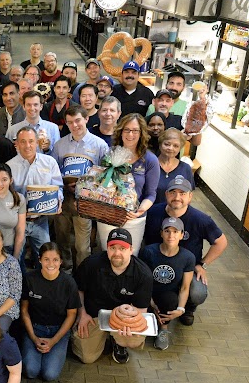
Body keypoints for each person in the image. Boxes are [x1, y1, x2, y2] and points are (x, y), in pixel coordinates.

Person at [145, 176, 227, 326]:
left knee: (198, 292)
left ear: (190, 196)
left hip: (186, 269)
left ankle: (188, 308)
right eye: (173, 192)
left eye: (182, 193)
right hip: (156, 266)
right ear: (166, 194)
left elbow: (221, 242)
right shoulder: (152, 213)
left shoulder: (201, 219)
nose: (177, 197)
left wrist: (202, 264)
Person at [73, 228, 153, 364]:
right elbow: (78, 290)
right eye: (113, 247)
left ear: (131, 250)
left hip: (124, 320)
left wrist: (129, 326)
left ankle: (119, 342)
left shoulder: (143, 274)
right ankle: (100, 337)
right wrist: (82, 314)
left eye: (122, 248)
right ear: (107, 248)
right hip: (94, 316)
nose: (117, 253)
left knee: (134, 340)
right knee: (87, 358)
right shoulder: (91, 264)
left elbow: (141, 311)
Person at [51, 105, 109, 272]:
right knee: (62, 241)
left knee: (82, 246)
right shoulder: (60, 144)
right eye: (70, 122)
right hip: (63, 200)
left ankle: (84, 276)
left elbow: (106, 177)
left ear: (86, 119)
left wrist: (87, 185)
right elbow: (53, 172)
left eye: (78, 120)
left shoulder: (99, 145)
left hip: (85, 202)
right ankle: (66, 272)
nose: (74, 125)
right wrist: (63, 183)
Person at [96, 113, 160, 255]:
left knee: (130, 256)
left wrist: (139, 211)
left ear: (141, 133)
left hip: (134, 219)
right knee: (108, 254)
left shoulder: (150, 160)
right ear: (120, 131)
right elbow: (100, 184)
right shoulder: (110, 155)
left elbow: (151, 194)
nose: (130, 134)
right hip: (108, 216)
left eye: (135, 130)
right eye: (127, 130)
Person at [20, 242, 79, 381]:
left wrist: (54, 341)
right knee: (30, 371)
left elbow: (72, 315)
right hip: (34, 328)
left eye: (55, 260)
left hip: (58, 330)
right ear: (39, 259)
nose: (51, 264)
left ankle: (56, 350)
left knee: (49, 374)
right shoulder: (30, 279)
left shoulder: (68, 283)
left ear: (61, 262)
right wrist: (33, 337)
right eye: (46, 259)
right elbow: (24, 310)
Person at [8, 127, 63, 268]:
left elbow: (58, 188)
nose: (27, 146)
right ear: (17, 144)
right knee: (15, 261)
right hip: (17, 222)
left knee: (45, 258)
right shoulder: (9, 167)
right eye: (23, 142)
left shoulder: (49, 162)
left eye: (31, 141)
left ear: (37, 142)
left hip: (41, 221)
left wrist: (58, 201)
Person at [139, 217, 195, 350]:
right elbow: (141, 281)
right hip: (148, 293)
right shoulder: (148, 252)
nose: (171, 235)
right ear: (161, 233)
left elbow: (185, 287)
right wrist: (150, 302)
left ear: (182, 235)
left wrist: (180, 310)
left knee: (170, 300)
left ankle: (163, 328)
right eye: (167, 231)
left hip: (167, 295)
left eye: (175, 232)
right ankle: (146, 319)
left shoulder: (188, 257)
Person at [155, 128, 195, 201]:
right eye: (167, 144)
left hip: (174, 210)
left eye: (175, 146)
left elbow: (188, 196)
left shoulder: (186, 168)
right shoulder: (150, 165)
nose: (170, 148)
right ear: (160, 144)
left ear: (180, 148)